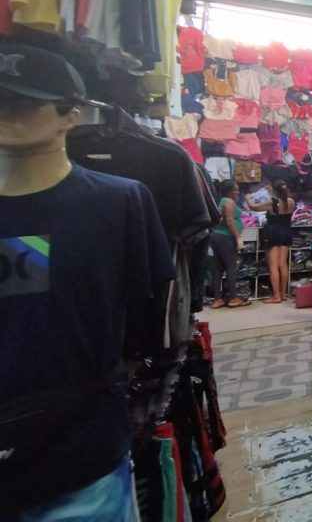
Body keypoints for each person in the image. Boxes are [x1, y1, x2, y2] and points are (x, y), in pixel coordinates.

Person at [0, 44, 174, 518]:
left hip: (79, 452)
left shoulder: (120, 203)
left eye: (25, 101)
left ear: (70, 115)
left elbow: (146, 318)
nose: (8, 111)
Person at [245, 181, 295, 303]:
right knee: (283, 264)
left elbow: (253, 207)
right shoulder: (291, 201)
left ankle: (276, 296)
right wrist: (271, 191)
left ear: (275, 190)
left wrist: (247, 198)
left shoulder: (272, 203)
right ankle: (283, 294)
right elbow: (281, 200)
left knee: (273, 266)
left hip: (273, 233)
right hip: (286, 232)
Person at [209, 180, 250, 308]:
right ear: (229, 191)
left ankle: (217, 299)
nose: (238, 192)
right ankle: (233, 298)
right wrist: (238, 237)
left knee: (217, 268)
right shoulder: (229, 202)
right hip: (226, 237)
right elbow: (230, 221)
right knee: (230, 268)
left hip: (217, 236)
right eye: (235, 190)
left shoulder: (221, 201)